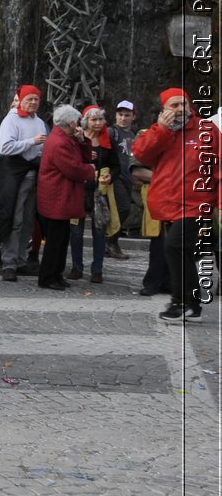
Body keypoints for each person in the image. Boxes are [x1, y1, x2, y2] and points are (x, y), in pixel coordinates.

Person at [133, 88, 219, 323]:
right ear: (164, 110)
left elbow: (219, 167)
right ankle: (192, 306)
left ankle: (180, 303)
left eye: (183, 104)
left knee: (173, 247)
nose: (180, 109)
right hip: (170, 204)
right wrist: (161, 131)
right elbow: (141, 154)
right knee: (182, 252)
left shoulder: (206, 130)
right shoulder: (158, 132)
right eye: (174, 106)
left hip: (196, 203)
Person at [0, 85, 48, 282]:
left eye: (36, 99)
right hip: (16, 174)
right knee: (15, 219)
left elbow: (43, 148)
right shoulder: (11, 120)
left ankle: (21, 259)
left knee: (29, 221)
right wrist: (32, 142)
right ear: (20, 100)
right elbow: (5, 147)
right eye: (29, 99)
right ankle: (9, 263)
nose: (33, 103)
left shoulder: (39, 122)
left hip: (34, 174)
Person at [35, 105, 98, 291]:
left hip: (62, 197)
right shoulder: (59, 142)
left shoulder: (65, 138)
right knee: (55, 240)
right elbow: (74, 168)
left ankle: (56, 274)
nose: (80, 124)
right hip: (57, 197)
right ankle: (47, 277)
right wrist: (91, 171)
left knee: (62, 239)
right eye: (78, 121)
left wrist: (82, 140)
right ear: (71, 122)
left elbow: (84, 157)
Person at [68, 105, 119, 283]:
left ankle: (97, 269)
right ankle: (76, 267)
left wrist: (110, 176)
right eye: (94, 119)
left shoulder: (108, 141)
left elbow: (117, 166)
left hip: (100, 191)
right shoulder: (77, 138)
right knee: (75, 231)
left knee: (99, 230)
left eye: (101, 119)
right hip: (80, 188)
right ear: (86, 121)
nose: (98, 123)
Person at [106, 100, 140, 258]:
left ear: (134, 116)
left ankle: (109, 241)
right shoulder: (112, 132)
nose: (123, 118)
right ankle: (111, 242)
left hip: (128, 178)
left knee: (124, 210)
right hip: (115, 177)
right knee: (124, 208)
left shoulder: (133, 134)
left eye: (127, 115)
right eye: (120, 115)